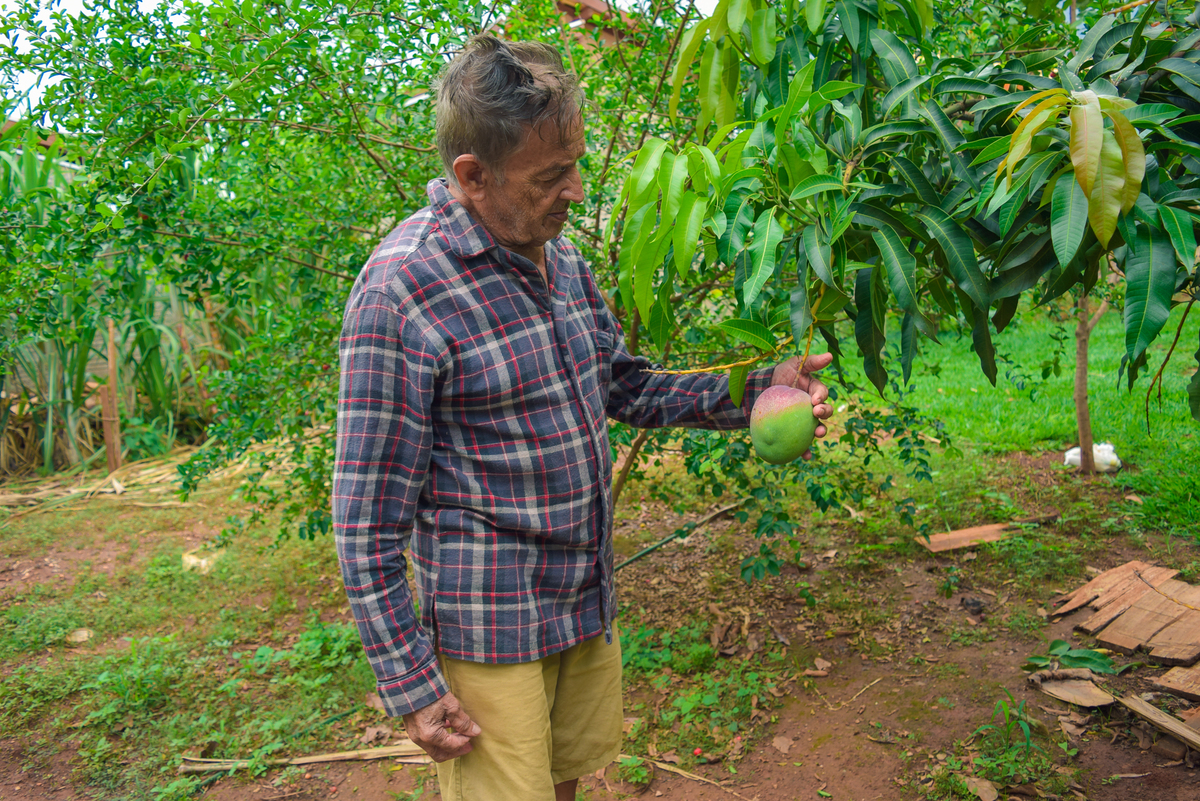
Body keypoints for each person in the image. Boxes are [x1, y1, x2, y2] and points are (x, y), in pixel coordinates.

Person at [333, 34, 833, 801]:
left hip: (580, 595)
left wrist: (762, 387)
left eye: (574, 164)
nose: (574, 190)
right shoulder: (402, 293)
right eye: (550, 175)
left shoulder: (558, 258)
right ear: (473, 176)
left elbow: (627, 388)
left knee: (564, 777)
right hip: (490, 619)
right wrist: (408, 680)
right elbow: (365, 522)